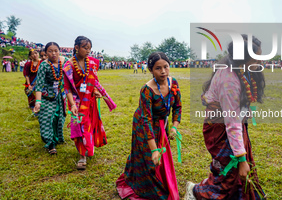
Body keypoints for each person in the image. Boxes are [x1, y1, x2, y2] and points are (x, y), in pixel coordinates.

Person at [185, 35, 266, 200]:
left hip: (230, 125)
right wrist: (242, 159)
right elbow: (232, 123)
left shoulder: (241, 69)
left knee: (233, 173)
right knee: (230, 172)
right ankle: (195, 192)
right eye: (256, 57)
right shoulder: (228, 79)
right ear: (244, 57)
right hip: (221, 128)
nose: (260, 61)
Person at [116, 52, 182, 200]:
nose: (163, 71)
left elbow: (177, 107)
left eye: (166, 67)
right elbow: (146, 120)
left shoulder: (174, 83)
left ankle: (161, 179)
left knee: (161, 155)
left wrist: (174, 127)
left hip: (162, 124)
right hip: (144, 125)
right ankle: (146, 186)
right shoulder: (147, 90)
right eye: (158, 68)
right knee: (148, 156)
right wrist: (154, 149)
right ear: (151, 70)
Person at [63, 36, 116, 170]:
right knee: (79, 128)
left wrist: (96, 91)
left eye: (90, 49)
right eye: (85, 48)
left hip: (89, 101)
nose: (88, 51)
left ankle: (87, 148)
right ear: (76, 48)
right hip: (76, 102)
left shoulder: (91, 63)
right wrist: (73, 104)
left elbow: (94, 81)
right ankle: (82, 155)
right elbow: (67, 88)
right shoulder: (69, 65)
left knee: (88, 126)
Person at [33, 42, 68, 155]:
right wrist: (38, 102)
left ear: (59, 51)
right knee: (47, 119)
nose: (53, 53)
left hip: (60, 96)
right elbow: (39, 85)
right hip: (46, 97)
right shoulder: (44, 65)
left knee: (59, 118)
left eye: (56, 50)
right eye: (50, 51)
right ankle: (50, 143)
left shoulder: (65, 62)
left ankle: (57, 138)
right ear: (46, 53)